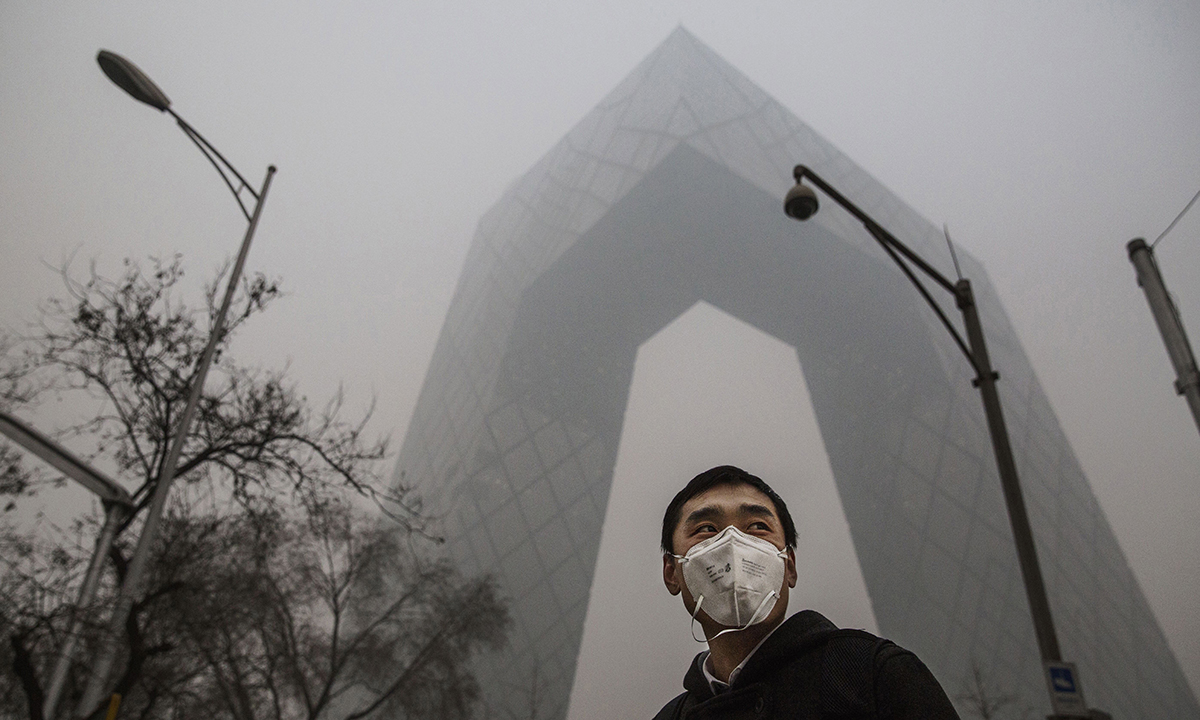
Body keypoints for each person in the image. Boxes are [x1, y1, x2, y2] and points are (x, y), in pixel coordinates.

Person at [654, 465, 960, 720]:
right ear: (671, 571)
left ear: (789, 565)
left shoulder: (873, 676)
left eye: (758, 526)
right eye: (707, 529)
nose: (734, 543)